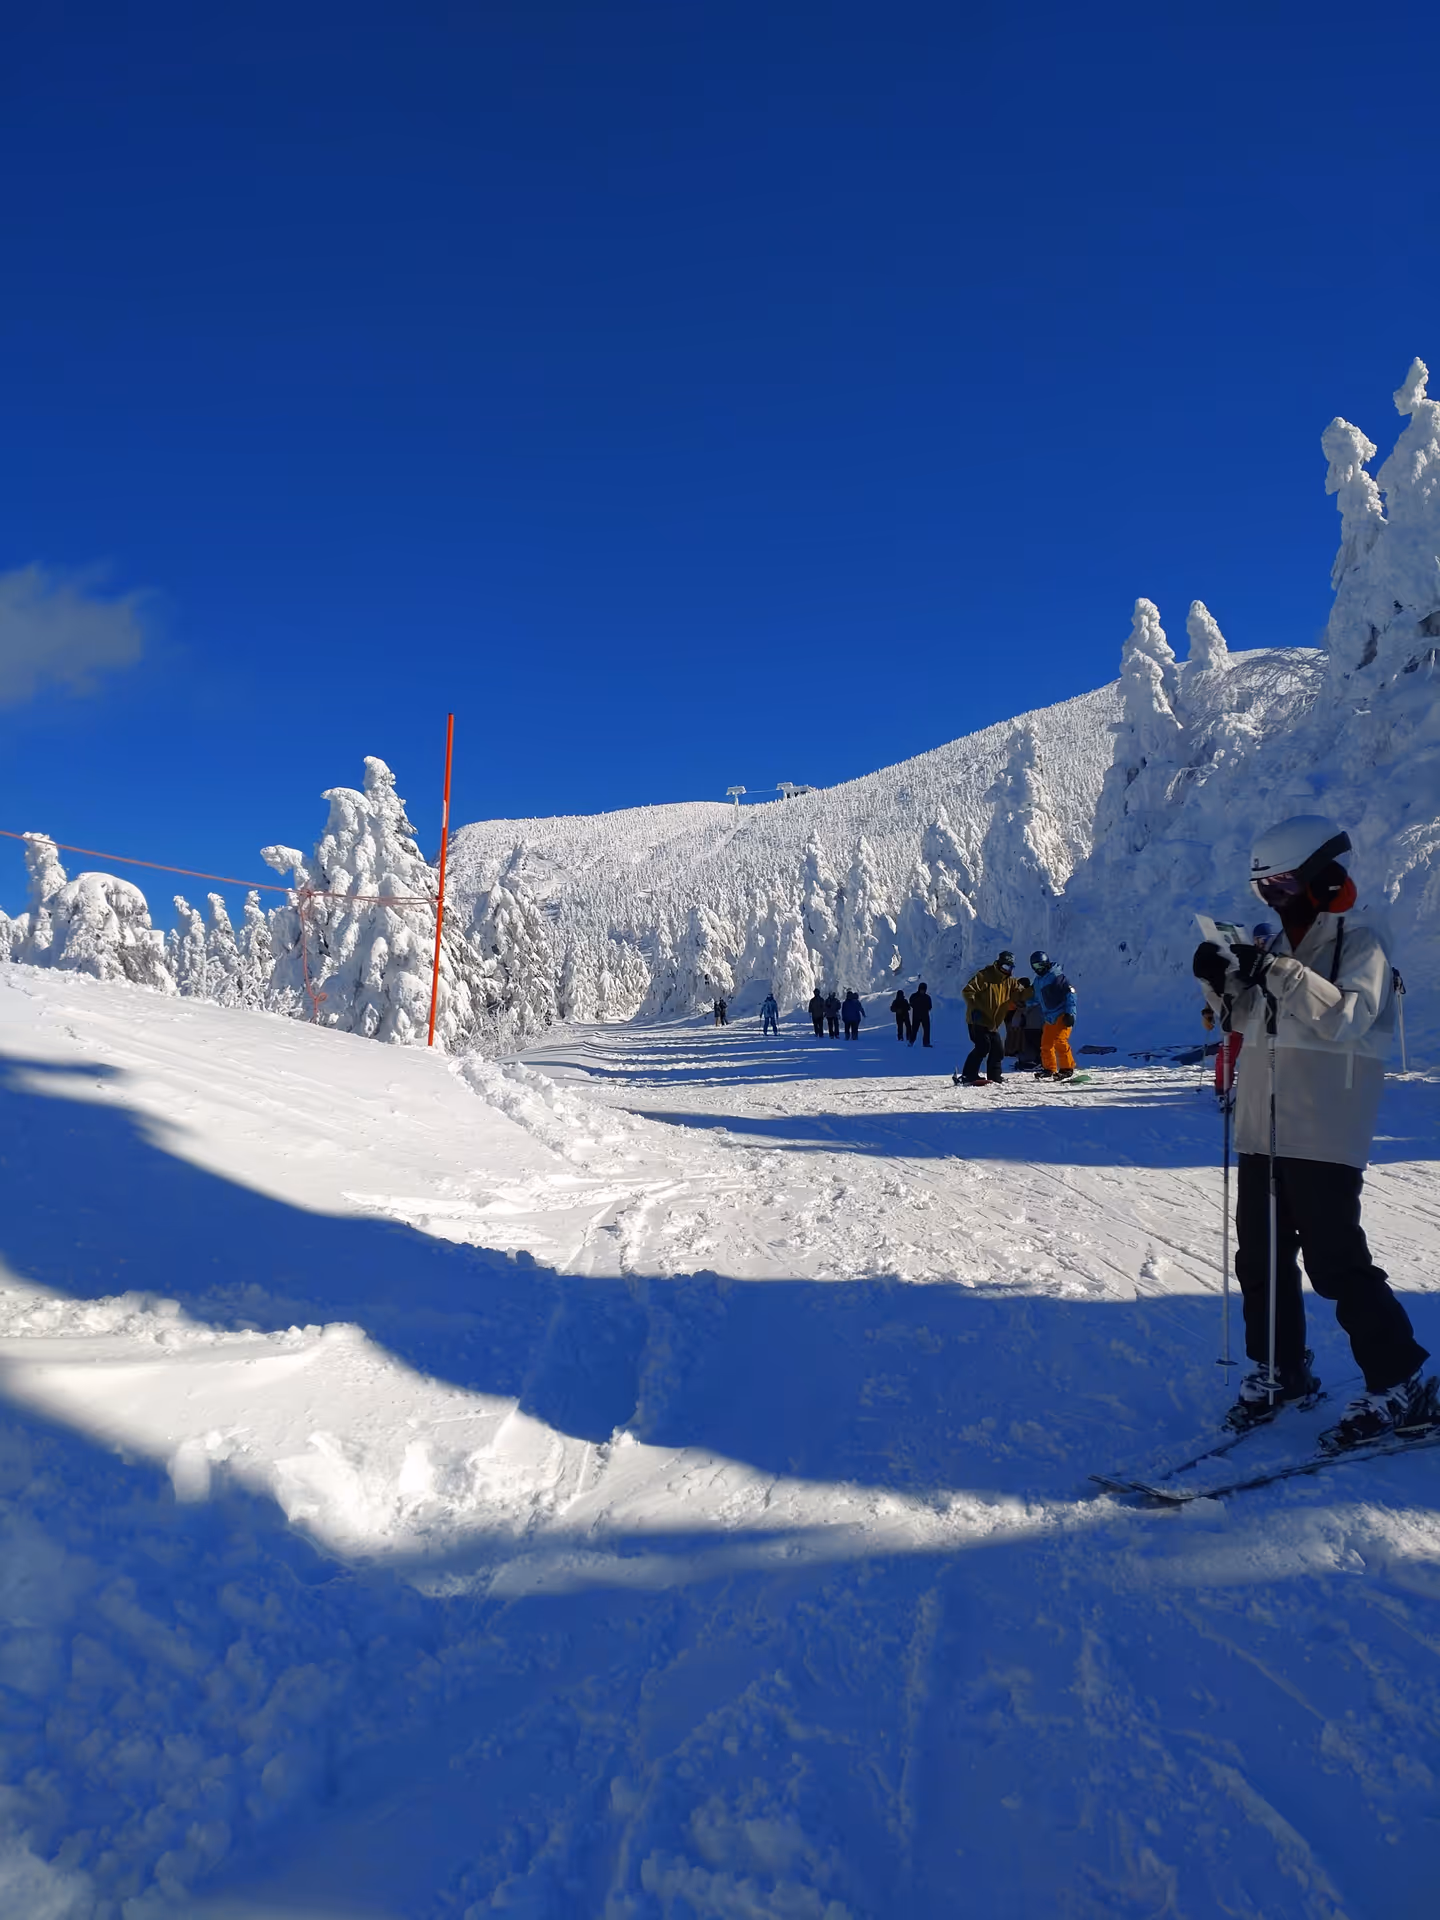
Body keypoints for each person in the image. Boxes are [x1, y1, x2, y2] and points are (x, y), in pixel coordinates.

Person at [1192, 815, 1434, 1447]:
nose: (1270, 899)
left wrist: (1277, 971)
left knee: (1336, 1262)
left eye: (1280, 885)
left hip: (1324, 1124)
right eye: (1263, 889)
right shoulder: (1278, 943)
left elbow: (1348, 1018)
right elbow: (1244, 1021)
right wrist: (1220, 983)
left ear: (1320, 878)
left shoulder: (1362, 938)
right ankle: (1283, 1371)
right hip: (1260, 1126)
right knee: (1260, 1259)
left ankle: (1401, 1379)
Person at [959, 951, 1021, 1085]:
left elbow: (1019, 992)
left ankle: (995, 1076)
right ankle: (968, 1075)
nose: (1007, 970)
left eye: (1010, 967)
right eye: (1005, 967)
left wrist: (1022, 998)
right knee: (983, 1046)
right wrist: (974, 1008)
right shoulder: (984, 976)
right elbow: (968, 991)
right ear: (998, 964)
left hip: (992, 1023)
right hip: (978, 1019)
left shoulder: (1010, 982)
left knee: (998, 1050)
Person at [1029, 951, 1077, 1081]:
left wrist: (1070, 1013)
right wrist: (1024, 1002)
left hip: (1062, 1014)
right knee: (1046, 1044)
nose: (1038, 969)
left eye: (1040, 966)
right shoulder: (1038, 981)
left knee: (1060, 1041)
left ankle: (1067, 1068)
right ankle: (1049, 1068)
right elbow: (1035, 997)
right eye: (1035, 967)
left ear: (1046, 963)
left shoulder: (1056, 976)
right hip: (1049, 1017)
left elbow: (1070, 993)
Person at [908, 981, 933, 1047]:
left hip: (925, 1015)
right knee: (914, 1029)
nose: (922, 991)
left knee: (926, 1029)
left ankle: (926, 1043)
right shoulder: (914, 996)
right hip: (916, 1015)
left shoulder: (927, 997)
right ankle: (911, 1041)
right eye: (922, 989)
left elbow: (930, 1006)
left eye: (924, 989)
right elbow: (911, 1003)